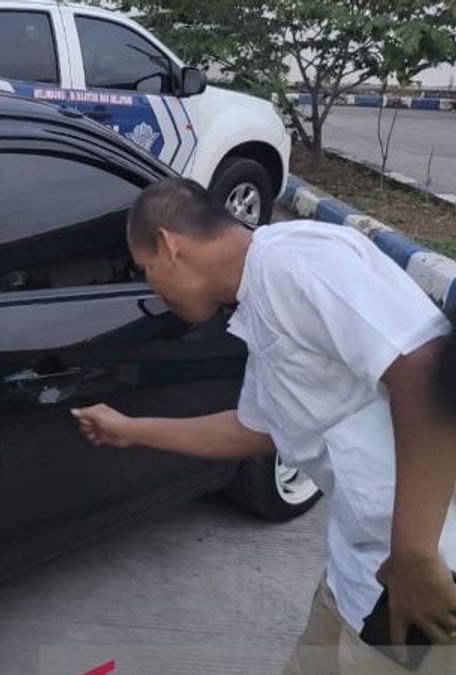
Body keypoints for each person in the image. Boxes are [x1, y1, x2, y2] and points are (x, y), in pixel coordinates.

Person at [72, 178, 456, 674]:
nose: (153, 288)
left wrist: (413, 554)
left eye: (146, 270)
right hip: (358, 571)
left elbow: (424, 369)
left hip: (426, 573)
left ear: (170, 246)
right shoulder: (257, 306)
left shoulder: (296, 263)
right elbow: (255, 428)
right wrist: (131, 429)